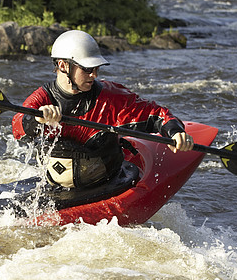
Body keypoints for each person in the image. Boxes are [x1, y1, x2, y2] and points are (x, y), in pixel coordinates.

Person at [11, 29, 194, 189]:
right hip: (57, 186)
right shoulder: (41, 99)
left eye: (96, 68)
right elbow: (18, 126)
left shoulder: (110, 97)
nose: (94, 75)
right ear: (63, 65)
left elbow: (156, 114)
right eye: (87, 69)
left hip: (106, 182)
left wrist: (175, 131)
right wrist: (36, 120)